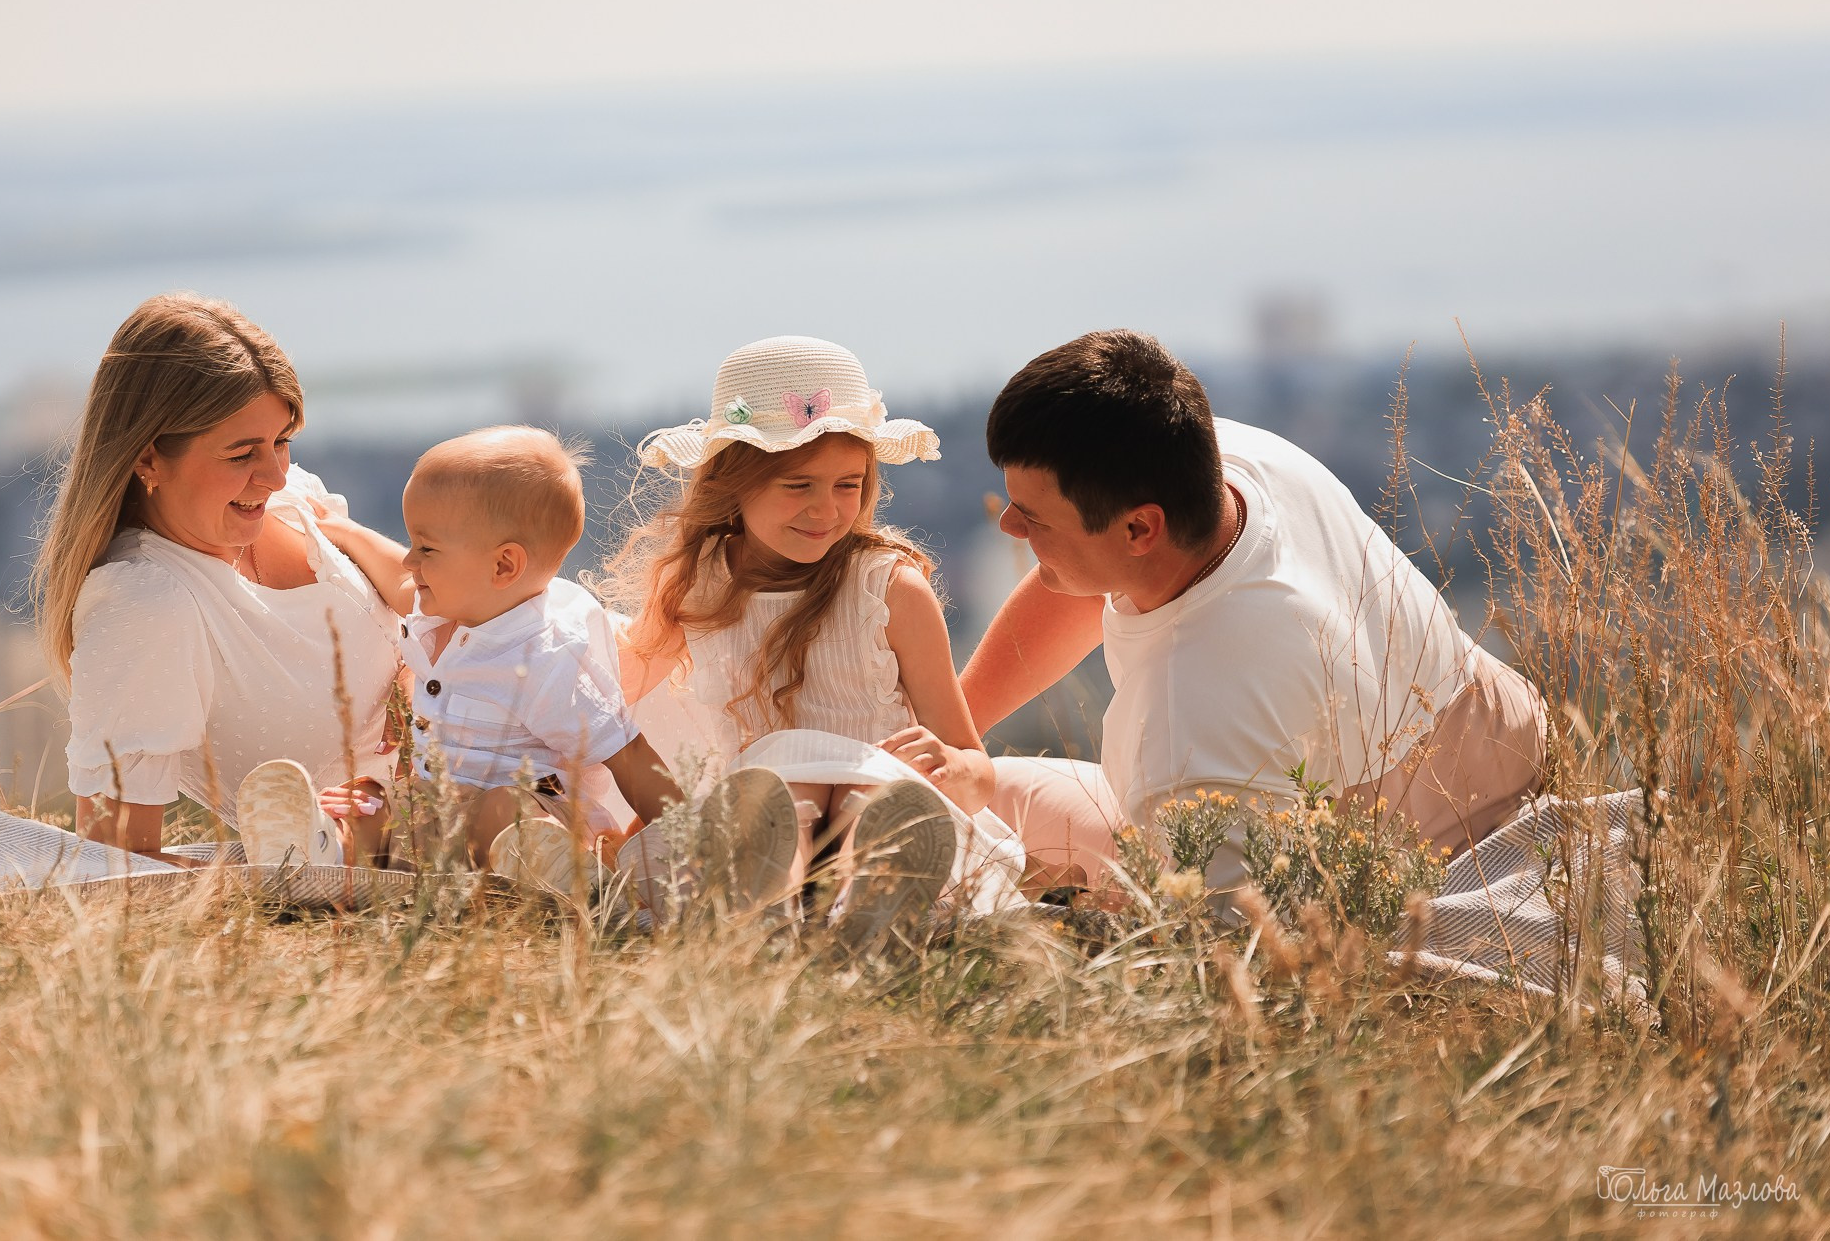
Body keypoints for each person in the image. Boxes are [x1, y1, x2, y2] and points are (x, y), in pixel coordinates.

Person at [961, 329, 1546, 885]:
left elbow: (1227, 936)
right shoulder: (1208, 457)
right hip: (1508, 744)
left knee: (991, 800)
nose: (1009, 525)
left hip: (1397, 862)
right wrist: (958, 723)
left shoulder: (1188, 713)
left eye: (1033, 518)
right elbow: (1089, 574)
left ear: (1141, 527)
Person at [603, 336, 1038, 943]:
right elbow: (612, 700)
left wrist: (950, 769)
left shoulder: (888, 590)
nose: (826, 510)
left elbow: (975, 765)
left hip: (880, 810)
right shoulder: (698, 588)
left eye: (847, 484)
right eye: (797, 484)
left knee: (871, 786)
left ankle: (873, 903)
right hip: (766, 825)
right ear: (736, 483)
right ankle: (770, 911)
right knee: (779, 785)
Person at [34, 293, 405, 862]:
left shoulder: (295, 501)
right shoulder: (146, 603)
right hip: (428, 850)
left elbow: (437, 590)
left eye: (282, 441)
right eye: (241, 454)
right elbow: (117, 865)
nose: (277, 476)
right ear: (149, 458)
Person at [315, 426, 686, 889]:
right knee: (371, 800)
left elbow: (628, 755)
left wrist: (685, 840)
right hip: (442, 810)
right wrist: (347, 533)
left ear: (503, 566)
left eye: (426, 548)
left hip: (540, 807)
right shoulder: (449, 608)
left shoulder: (548, 656)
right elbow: (395, 573)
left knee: (501, 811)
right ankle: (327, 847)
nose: (412, 561)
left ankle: (565, 870)